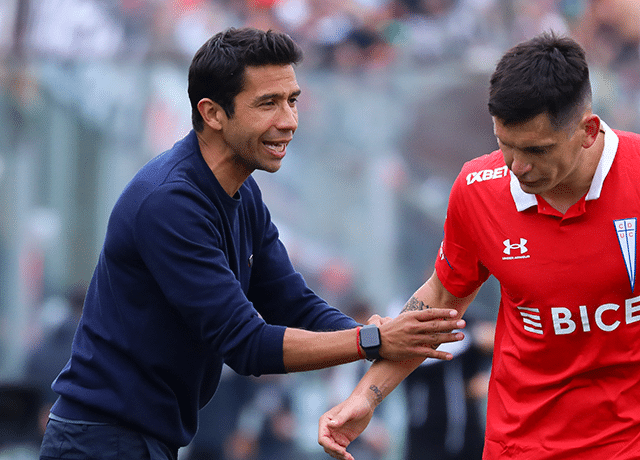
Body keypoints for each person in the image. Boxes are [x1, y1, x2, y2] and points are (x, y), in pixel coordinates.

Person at [318, 32, 640, 460]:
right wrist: (366, 396)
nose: (517, 166)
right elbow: (439, 301)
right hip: (521, 445)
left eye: (536, 150)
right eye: (505, 145)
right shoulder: (477, 188)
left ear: (587, 131)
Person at [38, 27, 466, 460]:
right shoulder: (169, 202)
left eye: (292, 100)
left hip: (136, 440)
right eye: (268, 104)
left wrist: (373, 334)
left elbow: (293, 303)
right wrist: (371, 341)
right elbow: (246, 344)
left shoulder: (242, 193)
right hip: (100, 443)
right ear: (212, 113)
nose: (289, 120)